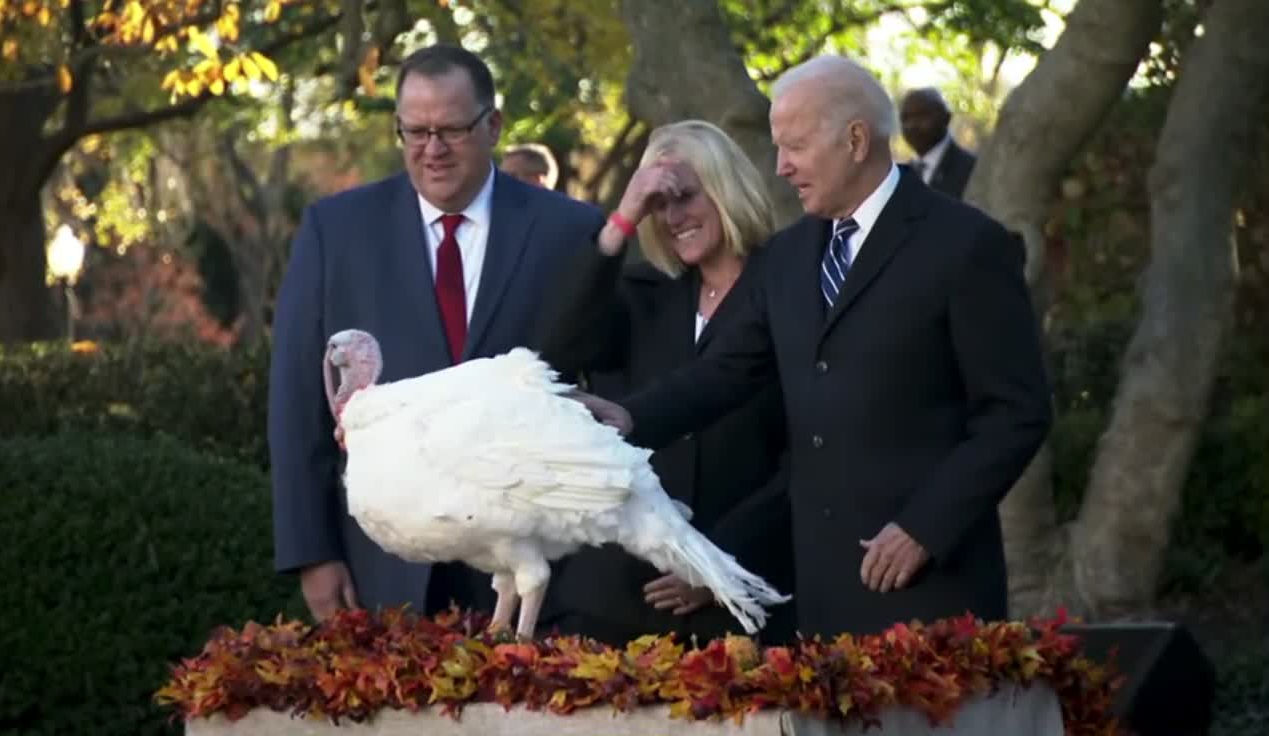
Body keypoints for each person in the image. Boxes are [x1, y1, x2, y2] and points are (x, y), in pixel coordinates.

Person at [576, 55, 1051, 639]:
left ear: (854, 140)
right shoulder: (788, 257)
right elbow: (727, 369)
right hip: (820, 596)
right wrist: (632, 415)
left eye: (794, 147)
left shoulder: (967, 245)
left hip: (931, 587)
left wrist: (925, 528)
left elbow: (1016, 413)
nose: (781, 168)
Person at [269, 44, 603, 623]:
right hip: (388, 566)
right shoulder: (336, 231)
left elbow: (613, 378)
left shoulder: (569, 231)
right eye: (415, 132)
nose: (432, 149)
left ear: (493, 125)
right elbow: (297, 402)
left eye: (451, 129)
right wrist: (311, 553)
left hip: (535, 565)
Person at [536, 120, 796, 647]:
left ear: (725, 188)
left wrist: (720, 562)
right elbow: (559, 351)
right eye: (658, 204)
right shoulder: (640, 293)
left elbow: (810, 450)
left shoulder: (790, 288)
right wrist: (622, 220)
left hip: (741, 595)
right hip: (617, 602)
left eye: (685, 196)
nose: (674, 217)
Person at [898, 87, 976, 199]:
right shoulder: (900, 176)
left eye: (921, 116)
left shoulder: (971, 169)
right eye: (905, 118)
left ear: (946, 118)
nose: (912, 125)